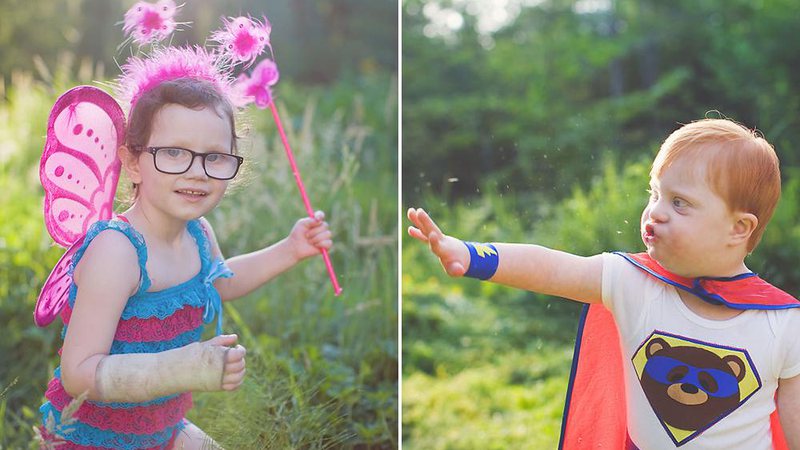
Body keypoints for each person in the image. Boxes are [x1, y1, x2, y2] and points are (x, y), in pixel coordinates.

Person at [407, 118, 800, 449]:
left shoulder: (783, 323)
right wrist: (471, 255)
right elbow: (553, 268)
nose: (656, 212)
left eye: (679, 202)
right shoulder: (633, 282)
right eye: (655, 193)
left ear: (738, 227)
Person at [37, 13, 332, 450]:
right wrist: (183, 369)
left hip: (160, 428)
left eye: (215, 156)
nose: (196, 173)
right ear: (133, 162)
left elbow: (220, 282)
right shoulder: (116, 253)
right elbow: (79, 371)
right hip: (93, 437)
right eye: (174, 152)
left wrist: (290, 249)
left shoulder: (198, 233)